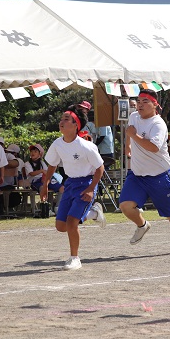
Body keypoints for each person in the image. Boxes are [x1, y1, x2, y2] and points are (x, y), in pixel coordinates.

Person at [118, 89, 170, 254]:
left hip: (160, 176)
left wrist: (134, 137)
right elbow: (130, 130)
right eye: (139, 101)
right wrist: (128, 146)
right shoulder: (134, 116)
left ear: (155, 105)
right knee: (125, 206)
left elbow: (153, 147)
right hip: (137, 174)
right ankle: (142, 225)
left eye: (145, 102)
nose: (140, 105)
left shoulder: (158, 124)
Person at [40, 105, 106, 271]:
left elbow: (100, 168)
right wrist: (45, 184)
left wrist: (91, 188)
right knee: (60, 226)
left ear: (76, 125)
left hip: (86, 184)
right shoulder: (57, 144)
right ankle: (93, 213)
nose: (61, 121)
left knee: (71, 223)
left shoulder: (85, 146)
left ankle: (74, 258)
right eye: (61, 118)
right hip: (69, 183)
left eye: (66, 119)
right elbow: (52, 165)